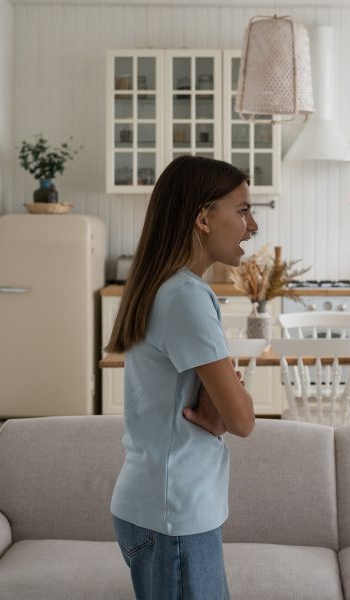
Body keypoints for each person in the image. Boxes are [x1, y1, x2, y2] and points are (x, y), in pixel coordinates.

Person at [106, 155, 258, 600]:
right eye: (243, 211)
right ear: (203, 218)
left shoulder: (162, 287)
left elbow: (223, 410)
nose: (252, 226)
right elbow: (242, 420)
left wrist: (222, 404)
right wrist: (226, 406)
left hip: (156, 506)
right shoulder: (187, 297)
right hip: (174, 514)